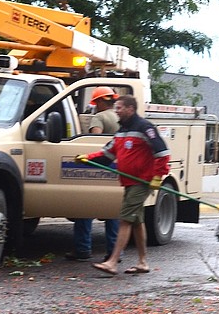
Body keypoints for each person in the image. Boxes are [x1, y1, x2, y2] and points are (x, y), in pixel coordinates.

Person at [79, 95, 170, 276]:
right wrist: (87, 159)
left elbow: (162, 151)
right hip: (129, 182)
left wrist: (158, 176)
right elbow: (108, 154)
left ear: (130, 109)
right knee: (137, 222)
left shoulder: (145, 128)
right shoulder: (122, 131)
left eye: (119, 108)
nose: (116, 111)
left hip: (141, 182)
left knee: (125, 219)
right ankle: (143, 262)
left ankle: (112, 262)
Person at [67, 86, 120, 261]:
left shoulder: (99, 117)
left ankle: (82, 249)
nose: (95, 106)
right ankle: (114, 252)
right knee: (113, 211)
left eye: (96, 102)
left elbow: (95, 141)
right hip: (117, 166)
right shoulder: (120, 117)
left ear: (101, 101)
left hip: (99, 165)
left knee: (86, 206)